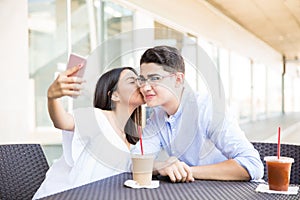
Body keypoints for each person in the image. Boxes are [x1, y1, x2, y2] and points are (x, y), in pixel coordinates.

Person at [133, 45, 264, 183]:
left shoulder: (208, 108)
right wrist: (161, 166)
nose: (145, 87)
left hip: (232, 190)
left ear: (178, 79)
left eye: (154, 78)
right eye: (142, 80)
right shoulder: (158, 116)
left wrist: (187, 171)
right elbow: (135, 160)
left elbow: (253, 165)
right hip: (192, 190)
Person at [33, 66, 144, 199]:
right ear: (115, 95)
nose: (139, 84)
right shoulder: (96, 117)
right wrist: (52, 98)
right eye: (132, 81)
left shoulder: (133, 135)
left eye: (139, 80)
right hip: (63, 195)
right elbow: (62, 121)